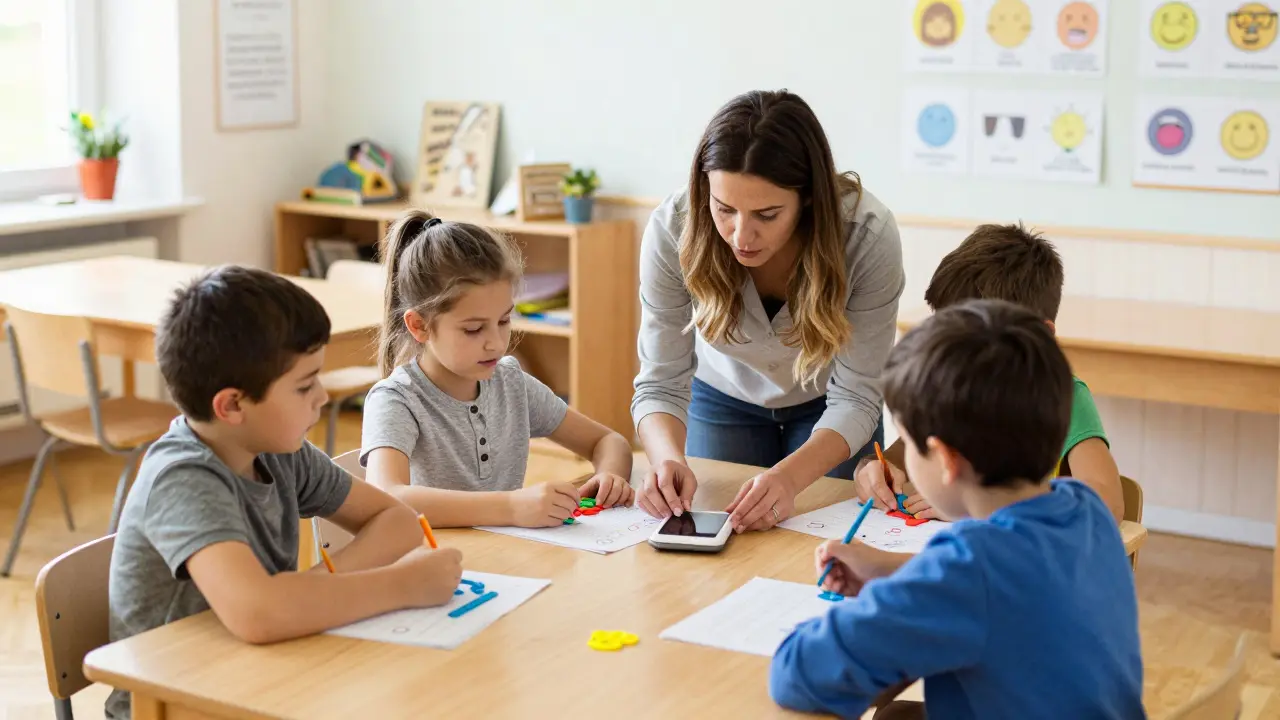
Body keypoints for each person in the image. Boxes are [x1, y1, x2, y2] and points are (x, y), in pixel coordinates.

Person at [106, 266, 463, 720]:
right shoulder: (182, 479)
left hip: (262, 681)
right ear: (233, 405)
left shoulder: (277, 451)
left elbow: (397, 521)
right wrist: (401, 585)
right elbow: (258, 614)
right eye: (303, 385)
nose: (322, 398)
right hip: (175, 702)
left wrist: (305, 593)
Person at [769, 299, 1144, 720]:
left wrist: (889, 596)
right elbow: (1010, 581)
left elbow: (800, 675)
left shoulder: (966, 572)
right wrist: (894, 573)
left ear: (946, 459)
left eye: (907, 444)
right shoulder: (1087, 510)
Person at [632, 89, 905, 533]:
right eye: (724, 209)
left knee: (825, 544)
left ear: (809, 200)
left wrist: (789, 479)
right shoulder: (673, 226)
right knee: (721, 540)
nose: (742, 235)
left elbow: (857, 395)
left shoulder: (866, 235)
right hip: (722, 396)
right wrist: (664, 461)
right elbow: (660, 381)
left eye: (767, 213)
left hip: (830, 404)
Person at [361, 211, 634, 528]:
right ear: (419, 326)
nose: (495, 343)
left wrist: (610, 476)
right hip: (435, 566)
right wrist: (512, 508)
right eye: (474, 329)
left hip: (507, 562)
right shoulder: (396, 400)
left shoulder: (511, 383)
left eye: (504, 321)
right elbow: (389, 498)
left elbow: (609, 441)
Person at [855, 223, 1125, 522]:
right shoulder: (944, 385)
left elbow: (1108, 504)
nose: (956, 356)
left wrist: (980, 509)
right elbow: (896, 459)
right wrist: (871, 469)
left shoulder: (1064, 397)